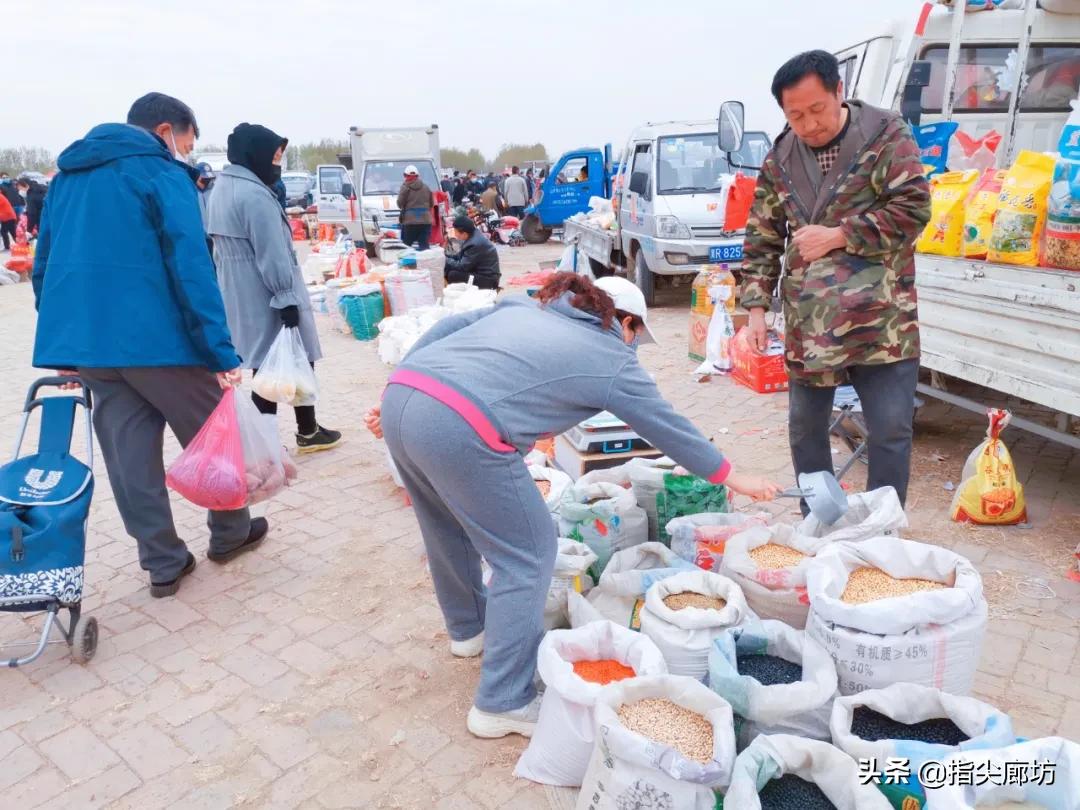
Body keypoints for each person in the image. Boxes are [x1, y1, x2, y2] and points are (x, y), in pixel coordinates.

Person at [362, 272, 779, 738]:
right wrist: (734, 476)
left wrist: (398, 392)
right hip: (462, 425)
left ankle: (470, 631)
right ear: (623, 322)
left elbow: (442, 332)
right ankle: (501, 702)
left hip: (409, 397)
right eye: (637, 334)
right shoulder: (610, 357)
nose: (635, 345)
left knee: (446, 527)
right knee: (529, 552)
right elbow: (668, 427)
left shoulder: (529, 308)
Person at [31, 92, 268, 598]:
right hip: (163, 344)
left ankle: (163, 561)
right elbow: (192, 267)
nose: (184, 151)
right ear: (166, 131)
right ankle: (230, 534)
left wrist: (66, 347)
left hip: (95, 350)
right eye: (186, 141)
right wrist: (220, 351)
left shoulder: (66, 179)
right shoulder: (160, 173)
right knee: (213, 440)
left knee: (129, 458)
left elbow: (44, 267)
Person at [741, 50, 931, 508]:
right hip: (812, 323)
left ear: (839, 93)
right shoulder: (781, 157)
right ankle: (819, 520)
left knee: (889, 428)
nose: (808, 124)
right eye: (795, 115)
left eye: (817, 110)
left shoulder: (885, 136)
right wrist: (755, 307)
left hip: (880, 319)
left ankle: (880, 528)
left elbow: (913, 210)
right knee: (806, 429)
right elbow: (762, 233)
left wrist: (840, 235)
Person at [208, 122, 342, 454]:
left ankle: (307, 429)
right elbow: (272, 252)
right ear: (257, 154)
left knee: (285, 360)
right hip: (266, 292)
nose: (277, 165)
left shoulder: (221, 189)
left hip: (240, 291)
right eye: (275, 157)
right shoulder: (254, 195)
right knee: (278, 367)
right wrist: (285, 298)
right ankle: (265, 442)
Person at [444, 215, 500, 289]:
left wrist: (446, 260)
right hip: (480, 273)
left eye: (455, 232)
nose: (455, 234)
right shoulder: (472, 235)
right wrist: (446, 256)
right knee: (449, 267)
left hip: (488, 280)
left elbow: (462, 267)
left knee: (453, 275)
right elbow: (460, 256)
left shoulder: (475, 244)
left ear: (464, 233)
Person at [396, 164, 433, 251]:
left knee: (406, 247)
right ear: (417, 176)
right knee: (424, 247)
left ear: (405, 176)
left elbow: (400, 204)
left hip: (410, 222)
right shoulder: (426, 187)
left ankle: (408, 264)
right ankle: (426, 264)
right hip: (425, 221)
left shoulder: (405, 187)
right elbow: (431, 204)